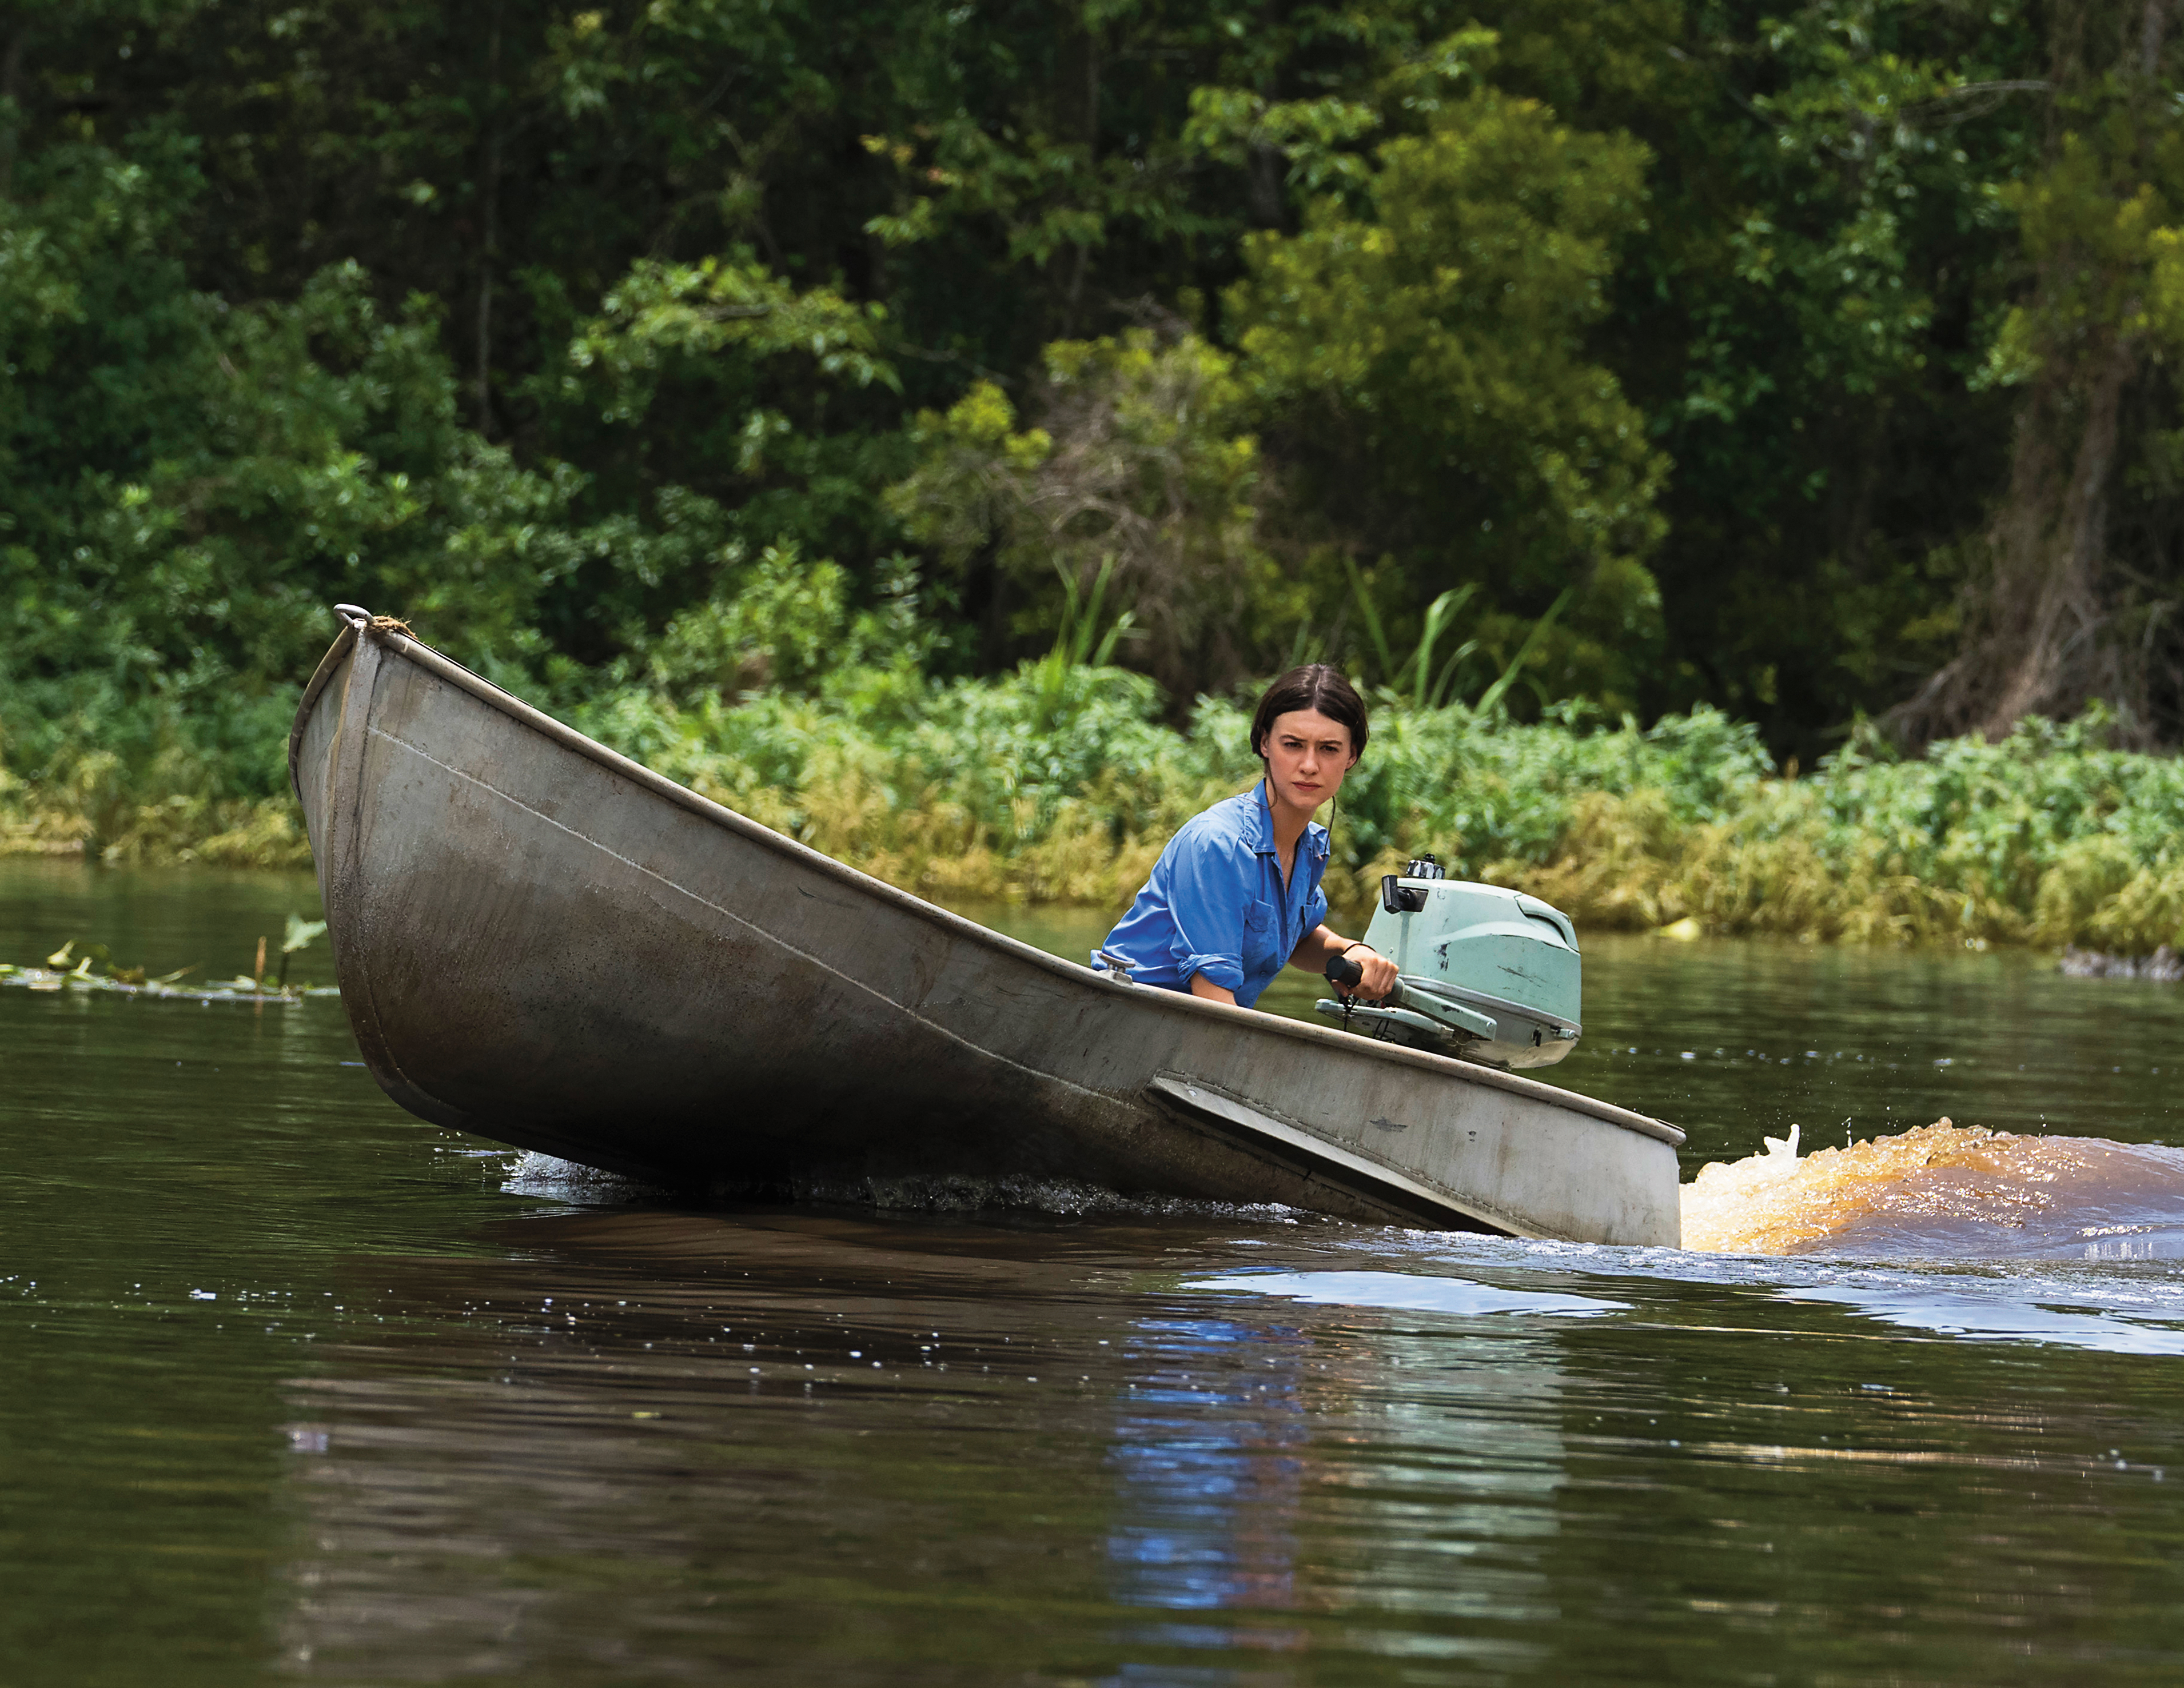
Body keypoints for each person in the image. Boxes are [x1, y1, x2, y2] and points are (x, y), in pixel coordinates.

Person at [1095, 664, 1401, 1008]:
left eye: (1329, 748)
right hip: (1125, 1014)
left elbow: (1293, 939)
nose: (1310, 765)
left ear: (1352, 756)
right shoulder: (1218, 844)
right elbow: (1213, 1000)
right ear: (1264, 743)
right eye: (1293, 745)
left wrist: (1350, 950)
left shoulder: (1310, 847)